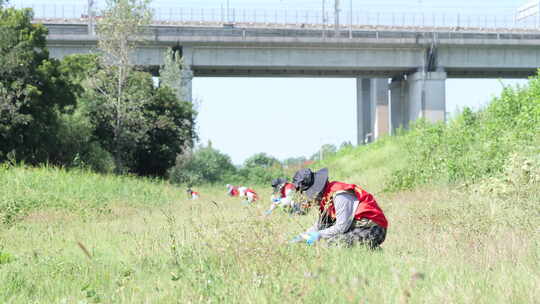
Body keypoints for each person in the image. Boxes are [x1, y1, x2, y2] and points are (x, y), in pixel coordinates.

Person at [290, 168, 388, 248]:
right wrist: (303, 236)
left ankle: (374, 252)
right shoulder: (325, 199)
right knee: (328, 239)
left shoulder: (339, 195)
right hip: (357, 227)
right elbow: (321, 225)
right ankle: (375, 253)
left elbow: (341, 227)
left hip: (373, 227)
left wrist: (318, 235)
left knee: (333, 244)